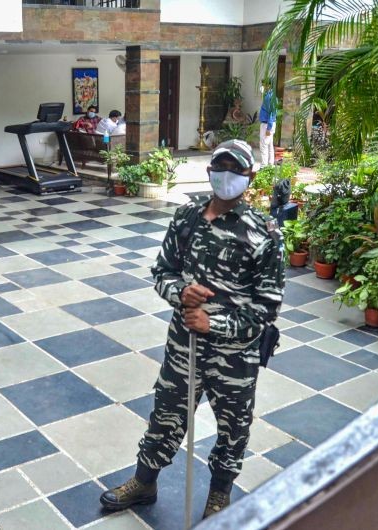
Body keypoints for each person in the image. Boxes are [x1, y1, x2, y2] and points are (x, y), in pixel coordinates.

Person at [99, 139, 285, 520]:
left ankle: (219, 495)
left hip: (236, 355)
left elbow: (266, 310)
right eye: (221, 167)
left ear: (249, 176)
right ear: (209, 170)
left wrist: (213, 322)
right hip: (183, 344)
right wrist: (180, 293)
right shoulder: (187, 217)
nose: (227, 176)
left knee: (233, 427)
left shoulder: (264, 234)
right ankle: (144, 481)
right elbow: (162, 272)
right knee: (166, 414)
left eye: (236, 169)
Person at [259, 80, 277, 167]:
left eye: (264, 85)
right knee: (270, 145)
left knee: (264, 145)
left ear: (269, 86)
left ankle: (264, 166)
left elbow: (270, 113)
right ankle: (270, 164)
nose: (263, 87)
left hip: (267, 124)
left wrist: (268, 128)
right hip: (270, 123)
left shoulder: (268, 97)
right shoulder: (271, 96)